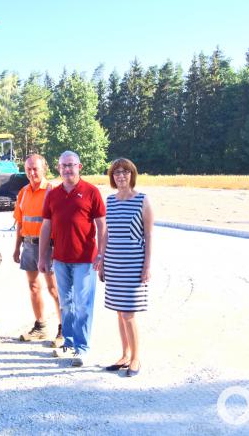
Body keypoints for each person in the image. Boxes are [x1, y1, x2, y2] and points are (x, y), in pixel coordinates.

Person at [39, 151, 106, 367]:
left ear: (80, 166)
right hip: (60, 259)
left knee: (83, 304)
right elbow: (46, 226)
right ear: (58, 168)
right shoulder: (53, 194)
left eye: (71, 165)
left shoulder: (91, 192)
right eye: (63, 166)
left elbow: (102, 225)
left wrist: (102, 254)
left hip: (86, 259)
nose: (67, 169)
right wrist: (42, 256)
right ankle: (67, 342)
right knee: (66, 303)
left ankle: (82, 347)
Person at [99, 158, 155, 377]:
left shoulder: (143, 200)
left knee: (129, 313)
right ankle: (124, 354)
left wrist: (147, 266)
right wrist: (101, 259)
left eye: (125, 172)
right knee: (119, 312)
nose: (120, 176)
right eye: (116, 172)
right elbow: (106, 233)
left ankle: (136, 358)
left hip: (134, 264)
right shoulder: (110, 201)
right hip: (113, 263)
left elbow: (149, 234)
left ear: (132, 174)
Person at [13, 154, 63, 347]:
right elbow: (20, 221)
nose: (32, 172)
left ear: (44, 169)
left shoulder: (53, 191)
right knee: (34, 287)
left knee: (54, 289)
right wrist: (16, 247)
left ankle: (64, 328)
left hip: (48, 247)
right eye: (28, 169)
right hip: (28, 245)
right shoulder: (23, 192)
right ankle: (40, 326)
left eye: (35, 168)